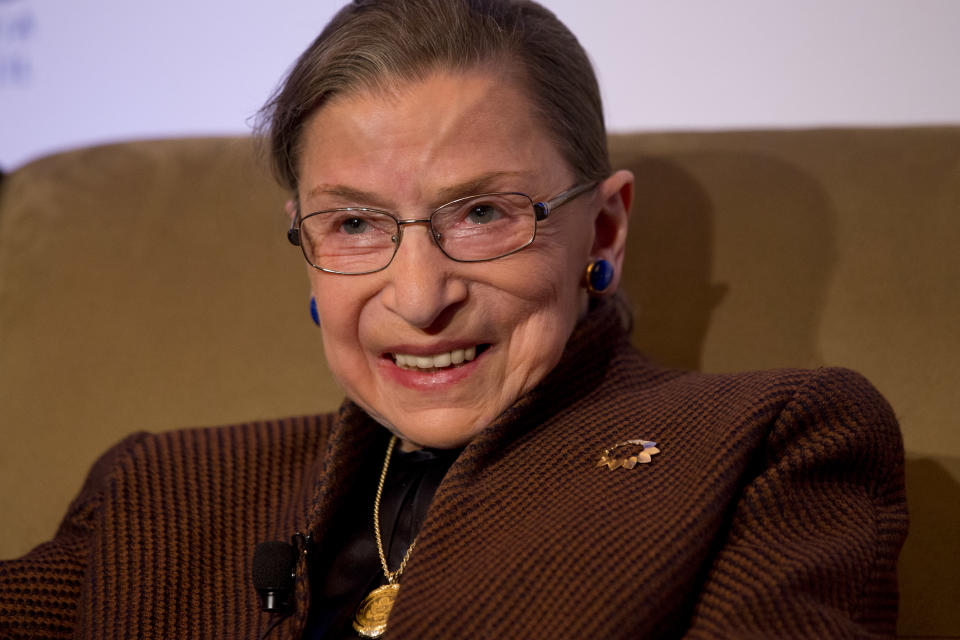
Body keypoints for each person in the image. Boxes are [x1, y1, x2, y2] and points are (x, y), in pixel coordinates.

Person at [0, 0, 907, 638]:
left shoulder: (767, 446)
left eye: (482, 213)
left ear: (604, 226)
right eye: (354, 224)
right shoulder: (157, 490)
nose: (421, 297)